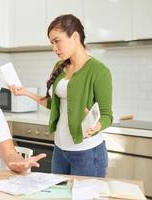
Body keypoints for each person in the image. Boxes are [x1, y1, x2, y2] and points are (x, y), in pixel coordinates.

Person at [9, 14, 112, 177]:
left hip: (87, 152)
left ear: (75, 36)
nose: (54, 48)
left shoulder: (99, 71)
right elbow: (52, 104)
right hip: (60, 149)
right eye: (52, 43)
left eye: (57, 41)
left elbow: (107, 115)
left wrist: (95, 126)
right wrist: (26, 93)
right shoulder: (59, 66)